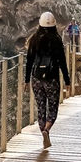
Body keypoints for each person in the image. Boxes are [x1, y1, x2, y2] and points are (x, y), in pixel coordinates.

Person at [25, 11, 70, 148]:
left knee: (41, 108)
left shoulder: (34, 40)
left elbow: (29, 62)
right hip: (52, 79)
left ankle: (43, 131)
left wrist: (26, 80)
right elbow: (62, 62)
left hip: (36, 78)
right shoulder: (56, 40)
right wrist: (67, 81)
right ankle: (46, 130)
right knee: (53, 108)